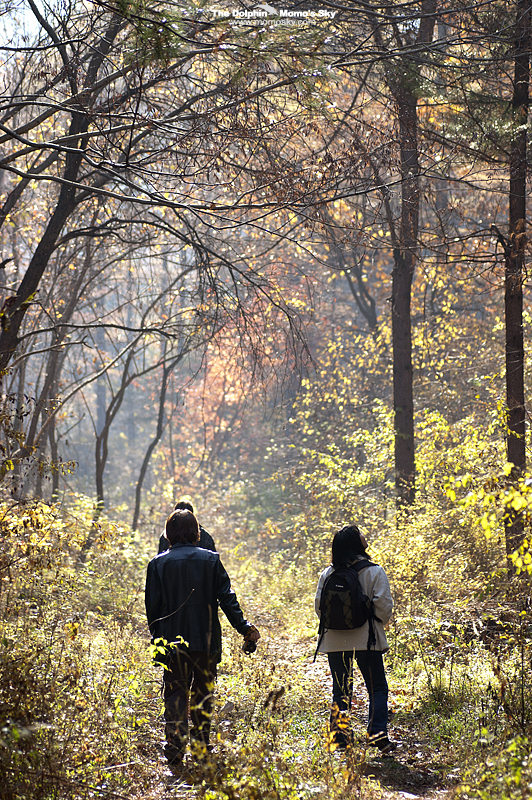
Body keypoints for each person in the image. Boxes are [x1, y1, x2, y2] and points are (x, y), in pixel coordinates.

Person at [145, 508, 260, 771]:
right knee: (203, 696)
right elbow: (227, 599)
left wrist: (158, 641)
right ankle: (200, 749)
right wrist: (244, 628)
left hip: (172, 645)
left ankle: (175, 750)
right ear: (196, 532)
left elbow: (153, 610)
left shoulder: (157, 564)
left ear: (169, 534)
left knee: (175, 695)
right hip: (206, 642)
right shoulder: (211, 560)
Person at [315, 524, 396, 754]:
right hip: (367, 640)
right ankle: (377, 734)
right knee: (377, 688)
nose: (364, 535)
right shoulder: (374, 572)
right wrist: (375, 622)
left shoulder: (328, 574)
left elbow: (319, 608)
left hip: (334, 641)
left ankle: (340, 738)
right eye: (360, 533)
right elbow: (384, 607)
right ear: (356, 543)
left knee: (341, 689)